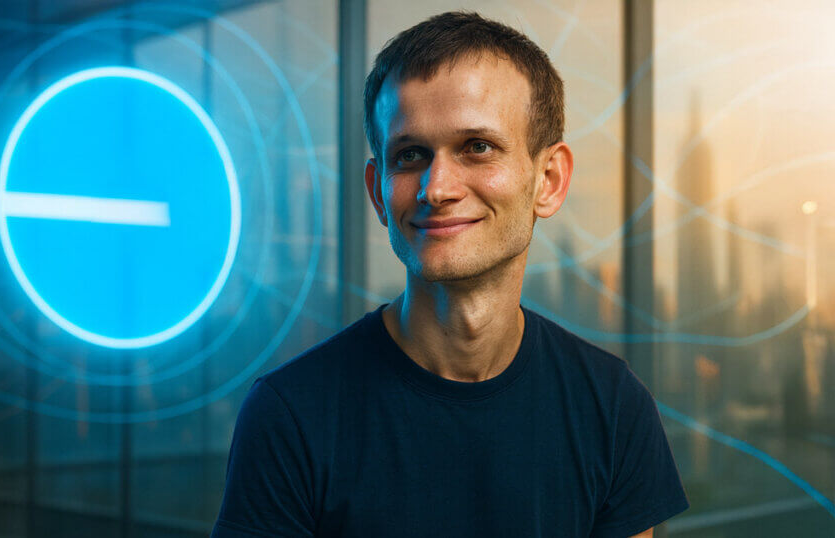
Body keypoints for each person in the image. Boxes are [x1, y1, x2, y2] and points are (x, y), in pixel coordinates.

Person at [211, 11, 688, 538]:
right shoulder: (290, 415)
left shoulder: (612, 407)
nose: (436, 188)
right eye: (410, 155)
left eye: (477, 147)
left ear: (548, 180)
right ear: (378, 193)